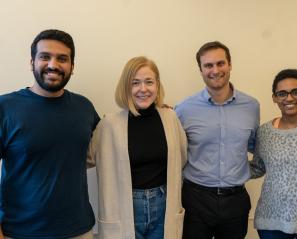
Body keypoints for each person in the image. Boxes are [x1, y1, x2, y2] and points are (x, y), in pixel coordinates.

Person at [0, 29, 100, 239]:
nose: (53, 65)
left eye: (62, 58)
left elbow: (113, 139)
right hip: (20, 232)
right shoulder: (5, 107)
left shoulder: (84, 107)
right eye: (45, 57)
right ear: (31, 62)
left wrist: (157, 110)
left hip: (79, 230)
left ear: (72, 67)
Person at [89, 56, 187, 239]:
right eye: (135, 83)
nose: (143, 89)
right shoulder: (109, 124)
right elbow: (86, 158)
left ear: (157, 85)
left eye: (149, 82)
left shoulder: (170, 118)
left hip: (164, 205)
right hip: (124, 207)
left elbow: (182, 157)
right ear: (126, 87)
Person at [175, 41, 260, 239]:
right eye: (208, 65)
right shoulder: (184, 109)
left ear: (230, 65)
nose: (215, 70)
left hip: (235, 201)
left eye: (220, 63)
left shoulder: (251, 106)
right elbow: (176, 151)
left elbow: (254, 146)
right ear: (201, 70)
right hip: (195, 200)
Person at [250, 69, 297, 239]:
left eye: (295, 92)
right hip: (271, 220)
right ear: (274, 98)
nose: (289, 98)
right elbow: (257, 168)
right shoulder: (264, 132)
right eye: (282, 93)